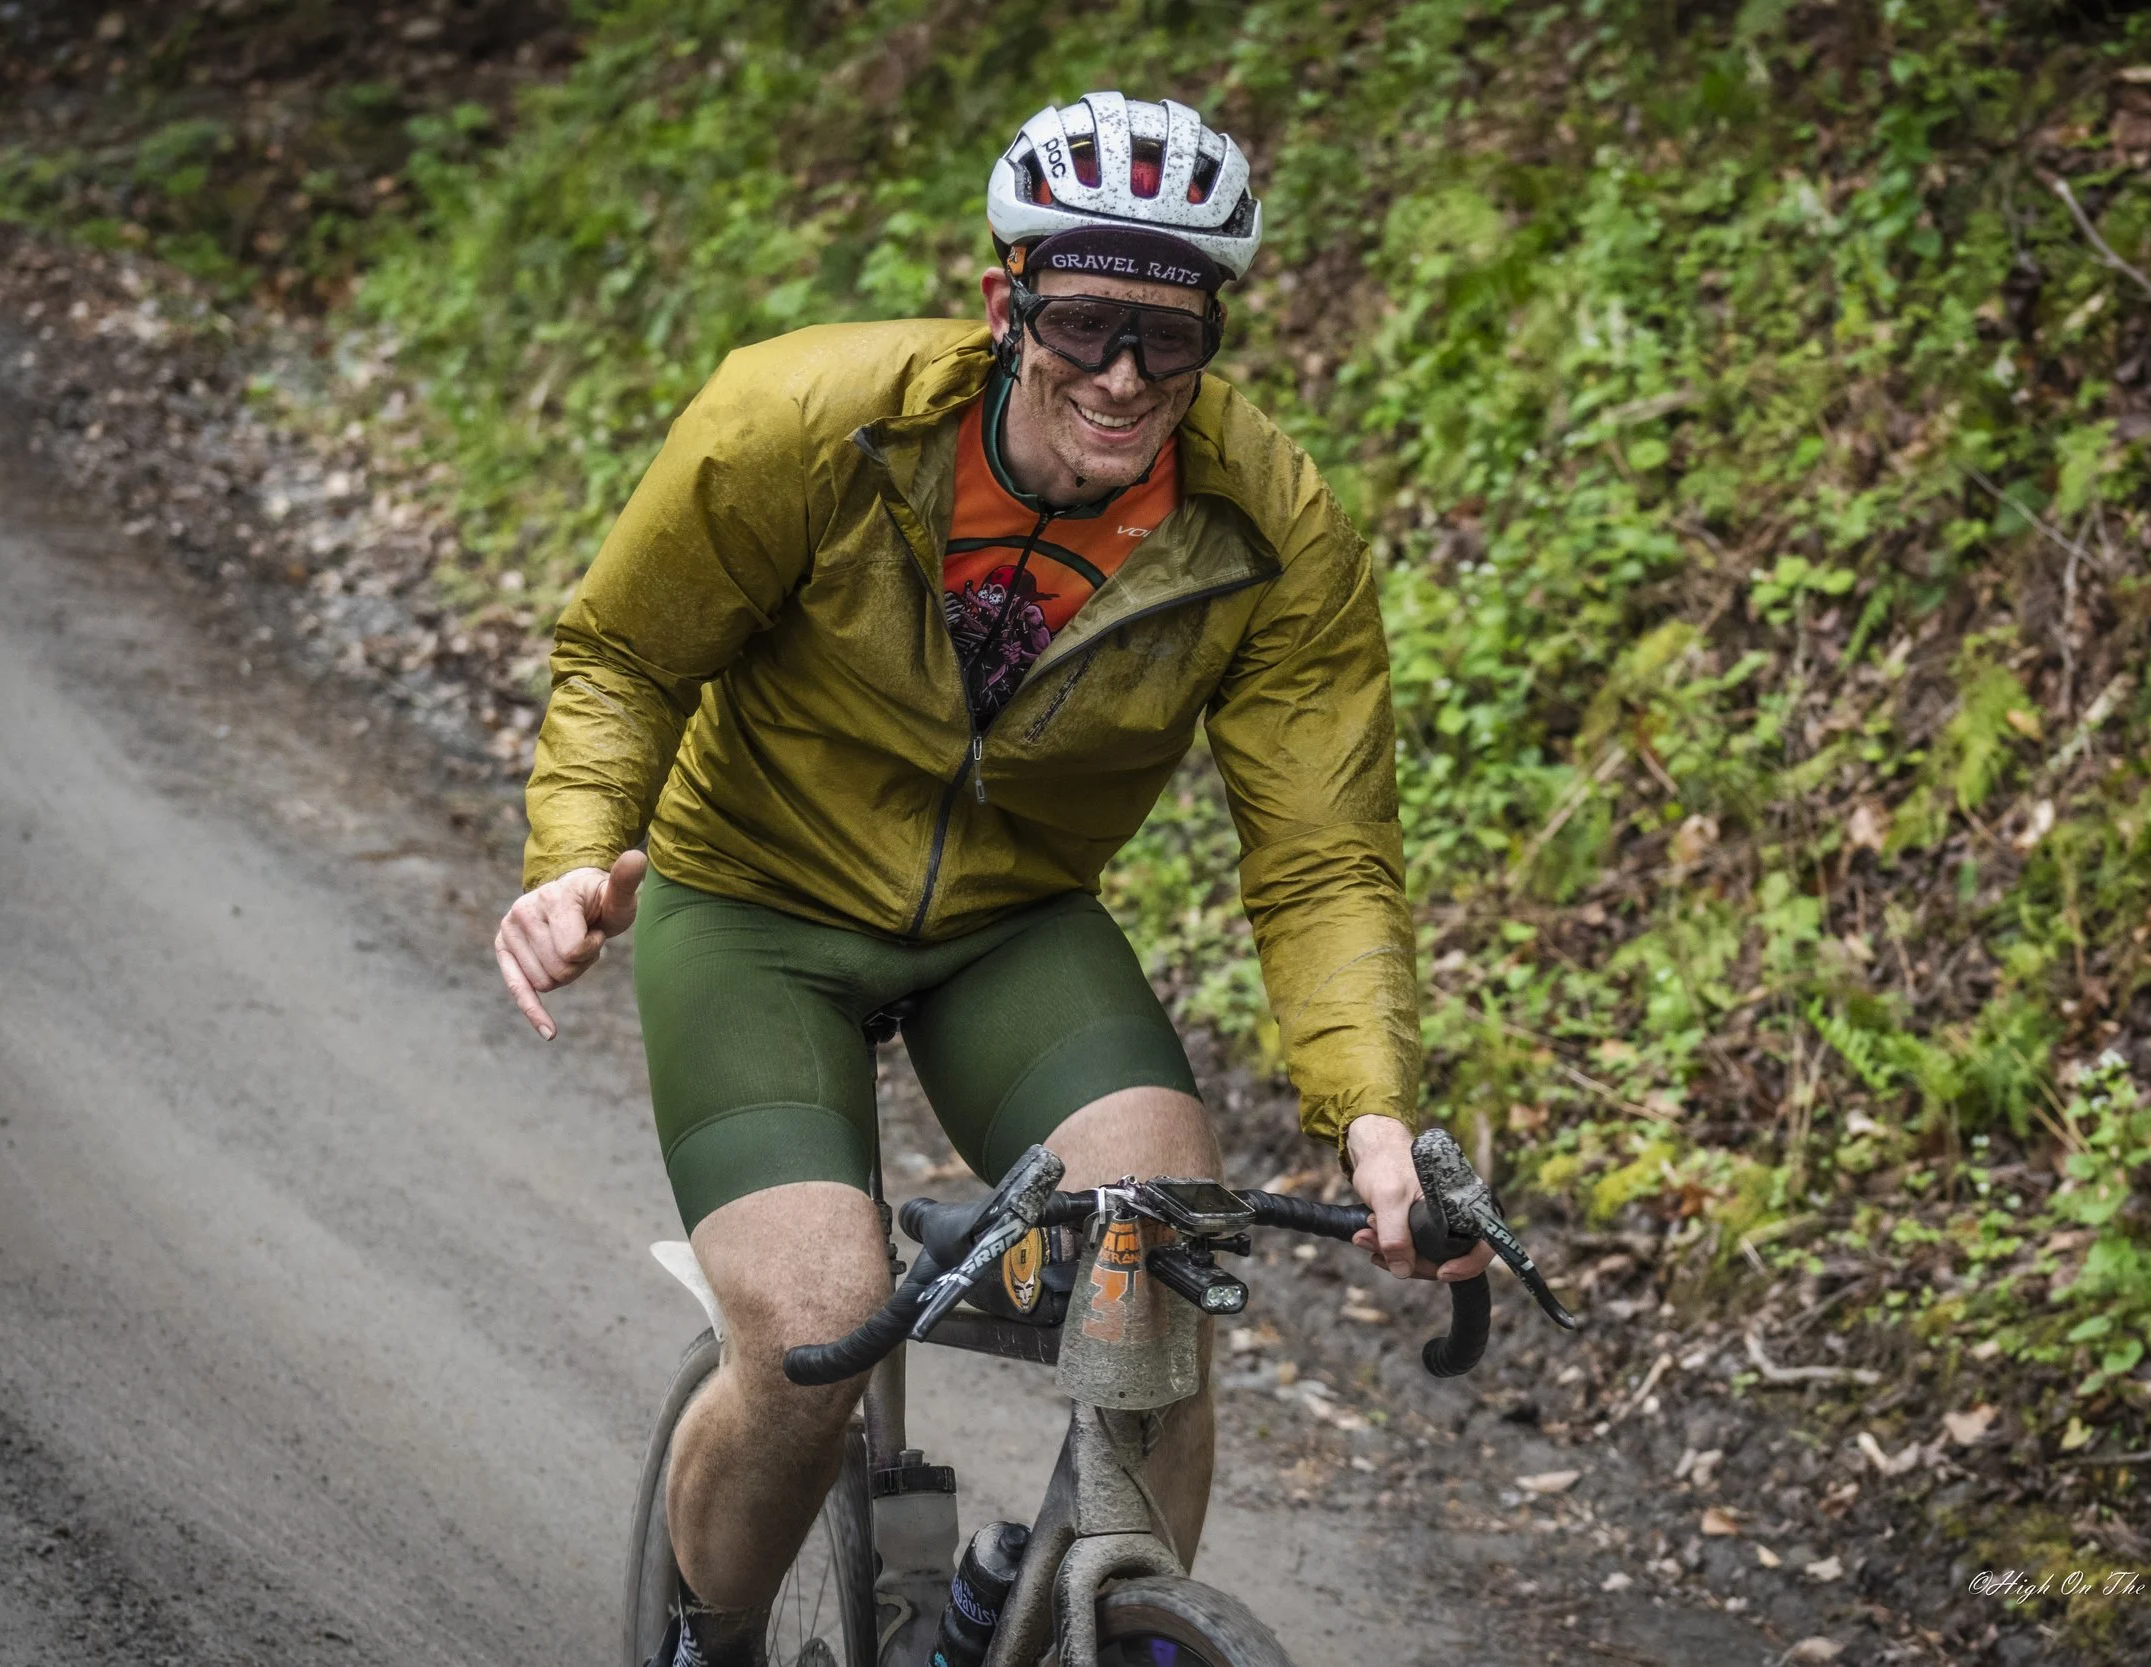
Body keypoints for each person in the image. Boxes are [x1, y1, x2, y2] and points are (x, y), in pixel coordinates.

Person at [490, 91, 1485, 1667]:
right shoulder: (802, 423)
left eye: (1172, 337)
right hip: (753, 898)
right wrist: (566, 865)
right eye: (1086, 321)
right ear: (1003, 298)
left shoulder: (1267, 527)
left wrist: (1372, 1111)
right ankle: (710, 1631)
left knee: (1161, 1241)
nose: (1125, 376)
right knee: (817, 1331)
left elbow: (1324, 845)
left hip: (1006, 924)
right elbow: (623, 652)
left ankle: (1091, 1613)